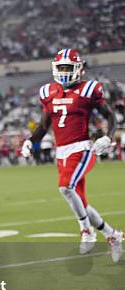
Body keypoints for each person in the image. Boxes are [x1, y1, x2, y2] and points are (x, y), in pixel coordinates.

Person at [22, 48, 122, 262]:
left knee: (65, 187)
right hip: (61, 153)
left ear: (78, 69)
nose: (65, 71)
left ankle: (86, 230)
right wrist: (30, 141)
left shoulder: (89, 89)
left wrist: (108, 136)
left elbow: (110, 116)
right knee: (81, 202)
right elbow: (43, 126)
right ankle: (112, 235)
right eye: (61, 67)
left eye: (69, 67)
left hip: (83, 149)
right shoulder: (48, 92)